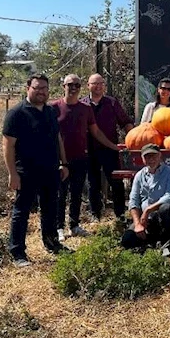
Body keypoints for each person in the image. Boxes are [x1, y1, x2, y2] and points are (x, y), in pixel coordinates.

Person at [2, 74, 69, 267]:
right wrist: (12, 173)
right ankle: (18, 253)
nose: (41, 92)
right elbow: (8, 145)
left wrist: (64, 163)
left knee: (50, 209)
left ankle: (52, 243)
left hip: (50, 171)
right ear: (28, 88)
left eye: (44, 88)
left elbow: (58, 139)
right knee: (21, 212)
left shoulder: (50, 111)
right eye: (37, 88)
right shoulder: (17, 113)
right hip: (26, 173)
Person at [51, 74, 122, 241]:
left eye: (76, 84)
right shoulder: (53, 108)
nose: (73, 87)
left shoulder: (85, 109)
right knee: (61, 194)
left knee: (76, 193)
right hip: (61, 160)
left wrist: (114, 146)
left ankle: (74, 225)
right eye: (70, 84)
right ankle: (59, 226)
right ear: (64, 86)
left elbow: (95, 131)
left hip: (80, 157)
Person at [80, 73, 133, 220]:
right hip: (89, 150)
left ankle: (120, 214)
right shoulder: (82, 105)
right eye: (94, 83)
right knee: (93, 183)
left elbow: (125, 121)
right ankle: (95, 214)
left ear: (104, 85)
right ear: (88, 85)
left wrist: (134, 138)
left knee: (116, 181)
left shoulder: (112, 103)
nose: (98, 86)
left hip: (110, 149)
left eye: (100, 83)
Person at [122, 143, 170, 255]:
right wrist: (138, 223)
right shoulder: (139, 176)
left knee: (166, 208)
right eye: (147, 157)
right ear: (143, 159)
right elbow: (133, 200)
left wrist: (147, 210)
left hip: (162, 216)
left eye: (153, 156)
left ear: (160, 156)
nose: (151, 159)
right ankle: (151, 242)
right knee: (127, 240)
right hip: (146, 220)